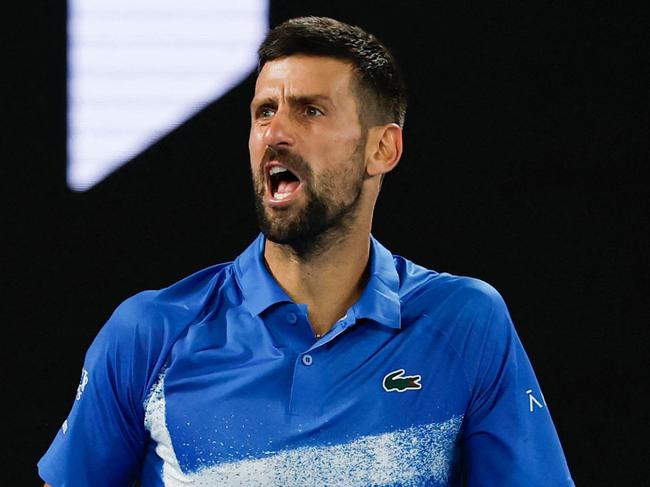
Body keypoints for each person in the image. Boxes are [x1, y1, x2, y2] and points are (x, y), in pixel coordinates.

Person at [38, 16, 574, 486]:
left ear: (381, 148)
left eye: (311, 111)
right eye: (264, 111)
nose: (275, 134)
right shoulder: (150, 332)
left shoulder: (465, 323)